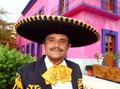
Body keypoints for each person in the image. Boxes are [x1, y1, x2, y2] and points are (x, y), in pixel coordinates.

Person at [13, 15, 100, 89]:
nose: (57, 45)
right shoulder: (24, 72)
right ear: (44, 44)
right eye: (51, 40)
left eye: (62, 41)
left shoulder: (76, 68)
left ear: (68, 46)